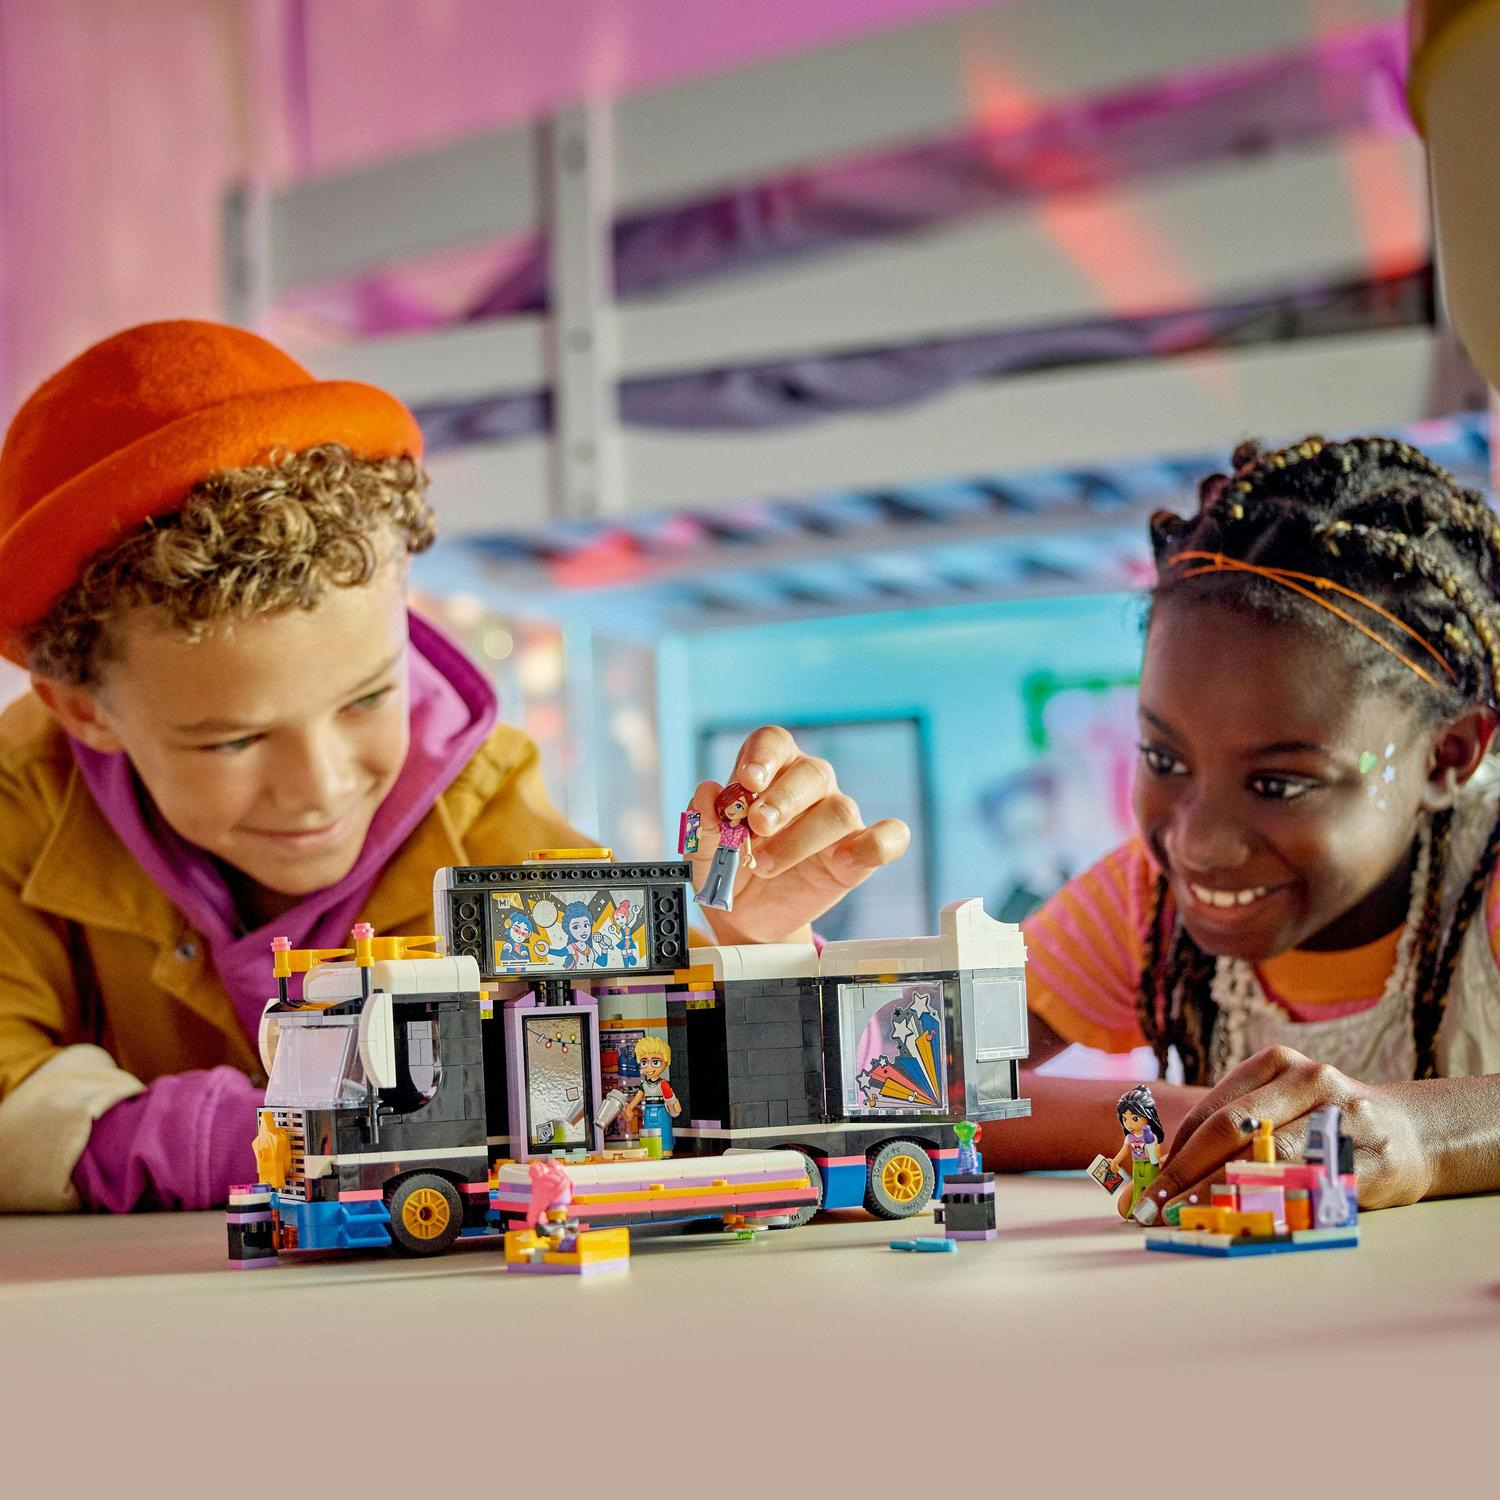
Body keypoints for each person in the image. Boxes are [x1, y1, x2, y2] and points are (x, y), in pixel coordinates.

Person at [0, 320, 910, 1213]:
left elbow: (645, 1089)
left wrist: (751, 956)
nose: (320, 788)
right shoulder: (20, 795)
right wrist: (313, 1134)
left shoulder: (495, 824)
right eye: (232, 741)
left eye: (368, 698)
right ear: (83, 710)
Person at [1011, 435, 1500, 1219]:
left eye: (1278, 784)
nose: (1197, 844)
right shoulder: (1146, 903)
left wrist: (1420, 1134)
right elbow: (906, 1085)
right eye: (1164, 759)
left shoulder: (1487, 879)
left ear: (1447, 758)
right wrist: (1178, 1117)